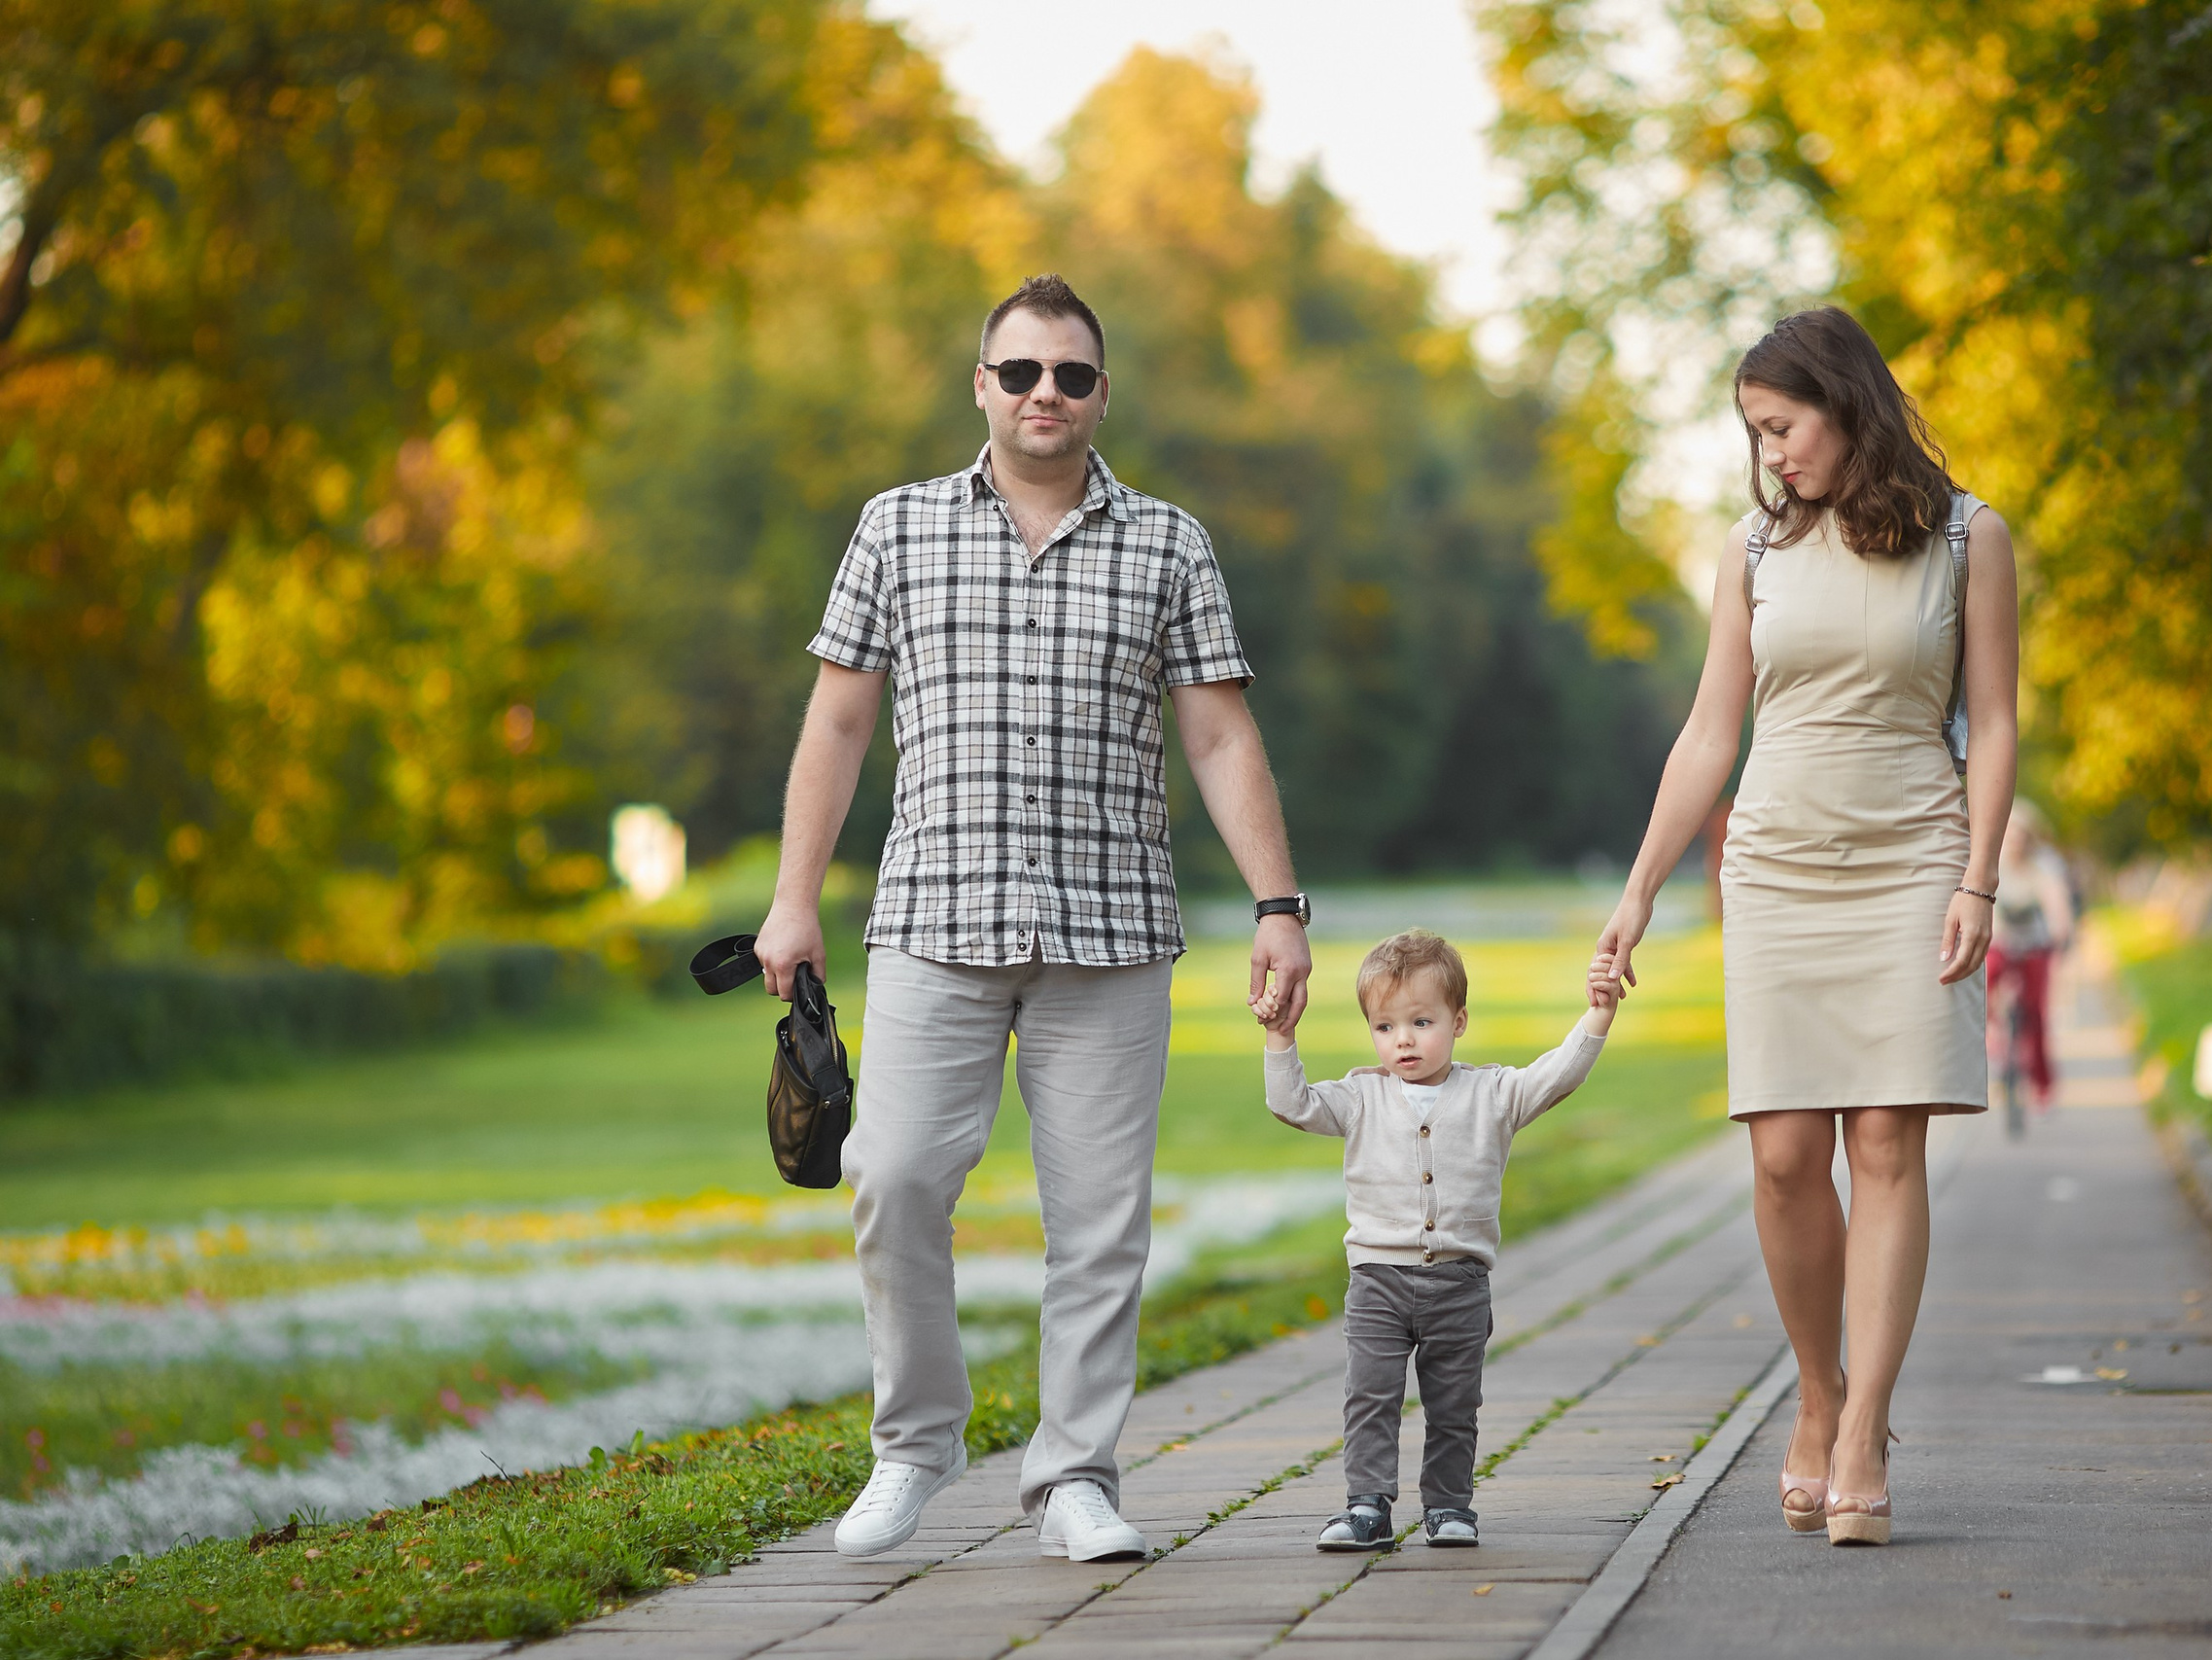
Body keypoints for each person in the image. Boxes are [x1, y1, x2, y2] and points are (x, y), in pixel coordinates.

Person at [753, 273, 1315, 1564]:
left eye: (1070, 374)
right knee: (889, 1177)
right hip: (932, 921)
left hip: (1111, 930)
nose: (1045, 393)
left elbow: (1222, 734)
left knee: (1101, 1222)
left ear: (1102, 393)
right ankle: (915, 1445)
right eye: (1021, 372)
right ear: (982, 387)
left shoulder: (1169, 541)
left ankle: (1074, 1473)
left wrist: (1279, 905)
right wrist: (792, 899)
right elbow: (837, 719)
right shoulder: (895, 527)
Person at [1594, 307, 2018, 1547]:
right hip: (1774, 864)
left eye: (1781, 427)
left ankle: (1867, 1424)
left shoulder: (1968, 536)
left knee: (1886, 1137)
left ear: (1845, 404)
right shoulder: (1752, 551)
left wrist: (1978, 880)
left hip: (1913, 859)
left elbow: (1989, 723)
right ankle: (1816, 1391)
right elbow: (1709, 733)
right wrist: (1638, 888)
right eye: (1755, 435)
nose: (1770, 453)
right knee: (1783, 1151)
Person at [1255, 930, 1621, 1552]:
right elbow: (1289, 1103)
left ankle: (1450, 1506)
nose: (1403, 1040)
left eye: (1422, 1022)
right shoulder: (1360, 1096)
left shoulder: (1493, 1094)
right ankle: (1366, 1505)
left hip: (1459, 1282)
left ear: (1460, 1021)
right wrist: (1280, 1036)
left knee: (1454, 1404)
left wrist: (1598, 1014)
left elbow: (1557, 1076)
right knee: (1370, 1397)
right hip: (1378, 1281)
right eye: (1385, 1026)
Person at [1986, 798, 2077, 1107]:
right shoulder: (1993, 860)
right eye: (2010, 835)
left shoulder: (2044, 865)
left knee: (2036, 1013)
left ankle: (2042, 1083)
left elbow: (2056, 904)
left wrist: (2060, 932)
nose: (2016, 843)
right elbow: (1987, 901)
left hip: (2036, 942)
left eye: (2022, 836)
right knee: (1984, 979)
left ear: (2031, 838)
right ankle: (1992, 1034)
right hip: (2003, 939)